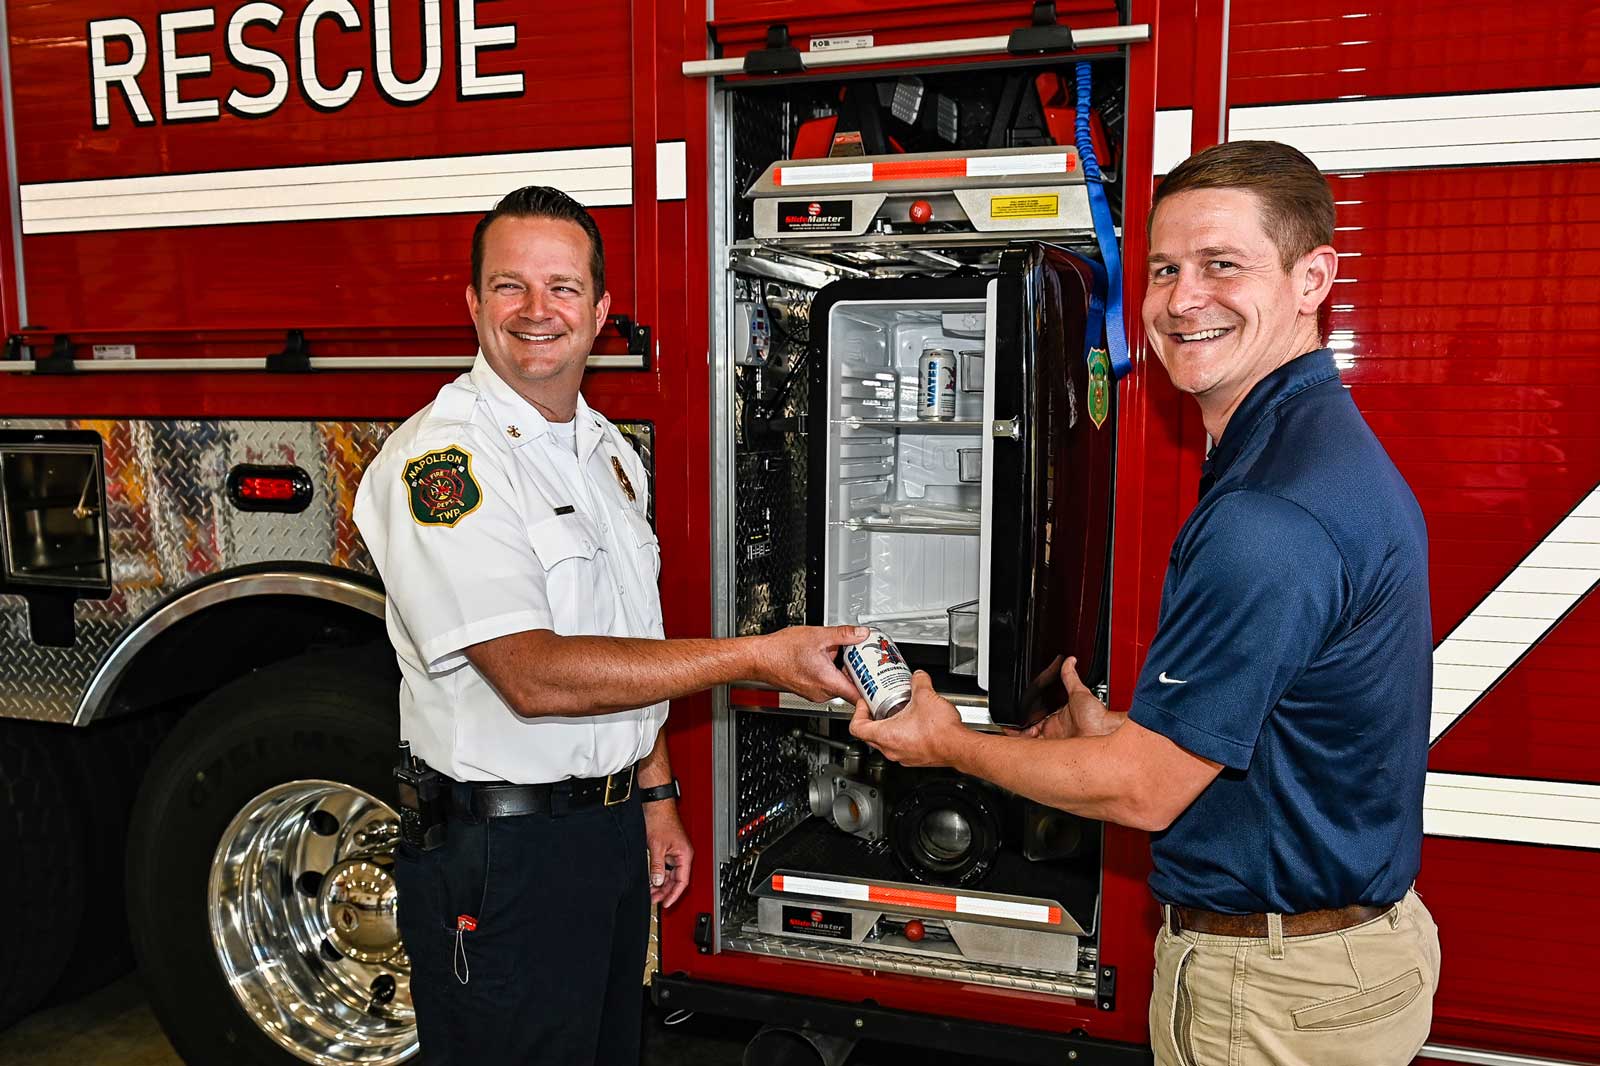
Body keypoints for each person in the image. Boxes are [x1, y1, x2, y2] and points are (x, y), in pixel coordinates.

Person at [849, 141, 1439, 1066]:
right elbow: (1268, 725)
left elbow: (1145, 789)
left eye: (1223, 265)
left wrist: (948, 743)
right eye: (1164, 268)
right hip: (1327, 962)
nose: (1181, 299)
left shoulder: (1271, 514)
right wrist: (1122, 728)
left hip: (1275, 995)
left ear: (1313, 277)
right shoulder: (1308, 450)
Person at [353, 185, 863, 1065]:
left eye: (563, 287)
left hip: (602, 837)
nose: (537, 311)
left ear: (600, 311)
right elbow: (533, 673)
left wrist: (654, 796)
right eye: (509, 286)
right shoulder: (445, 463)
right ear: (473, 304)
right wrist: (757, 657)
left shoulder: (607, 454)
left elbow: (629, 642)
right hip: (500, 853)